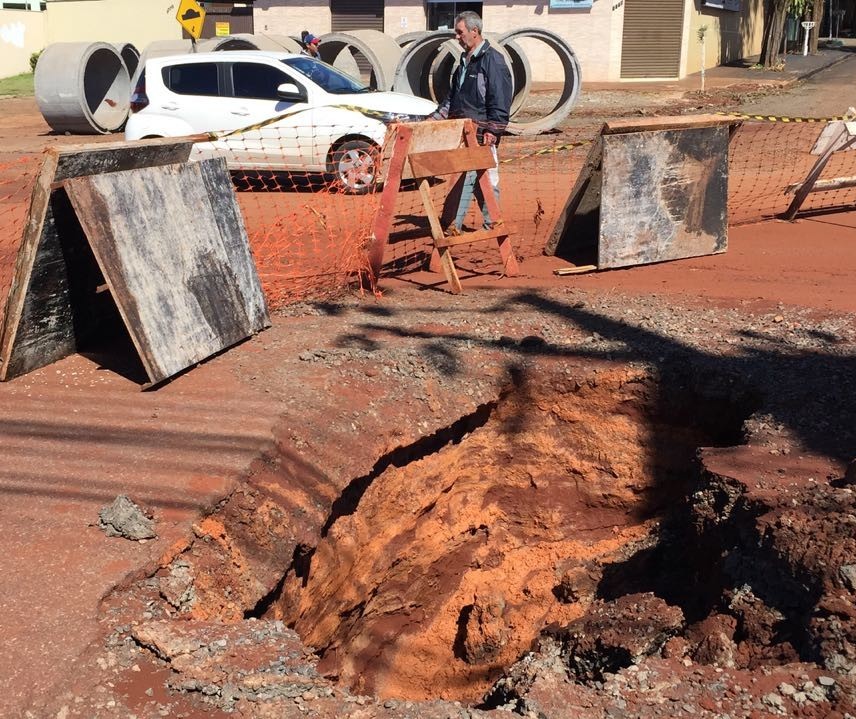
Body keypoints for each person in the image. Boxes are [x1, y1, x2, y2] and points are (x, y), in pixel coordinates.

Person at [431, 11, 512, 235]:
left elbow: (501, 97)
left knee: (469, 177)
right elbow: (452, 97)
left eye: (460, 32)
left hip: (481, 131)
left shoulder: (492, 60)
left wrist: (493, 130)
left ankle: (452, 226)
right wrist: (434, 119)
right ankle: (492, 222)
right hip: (463, 129)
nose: (457, 37)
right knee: (479, 178)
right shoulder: (464, 61)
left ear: (474, 32)